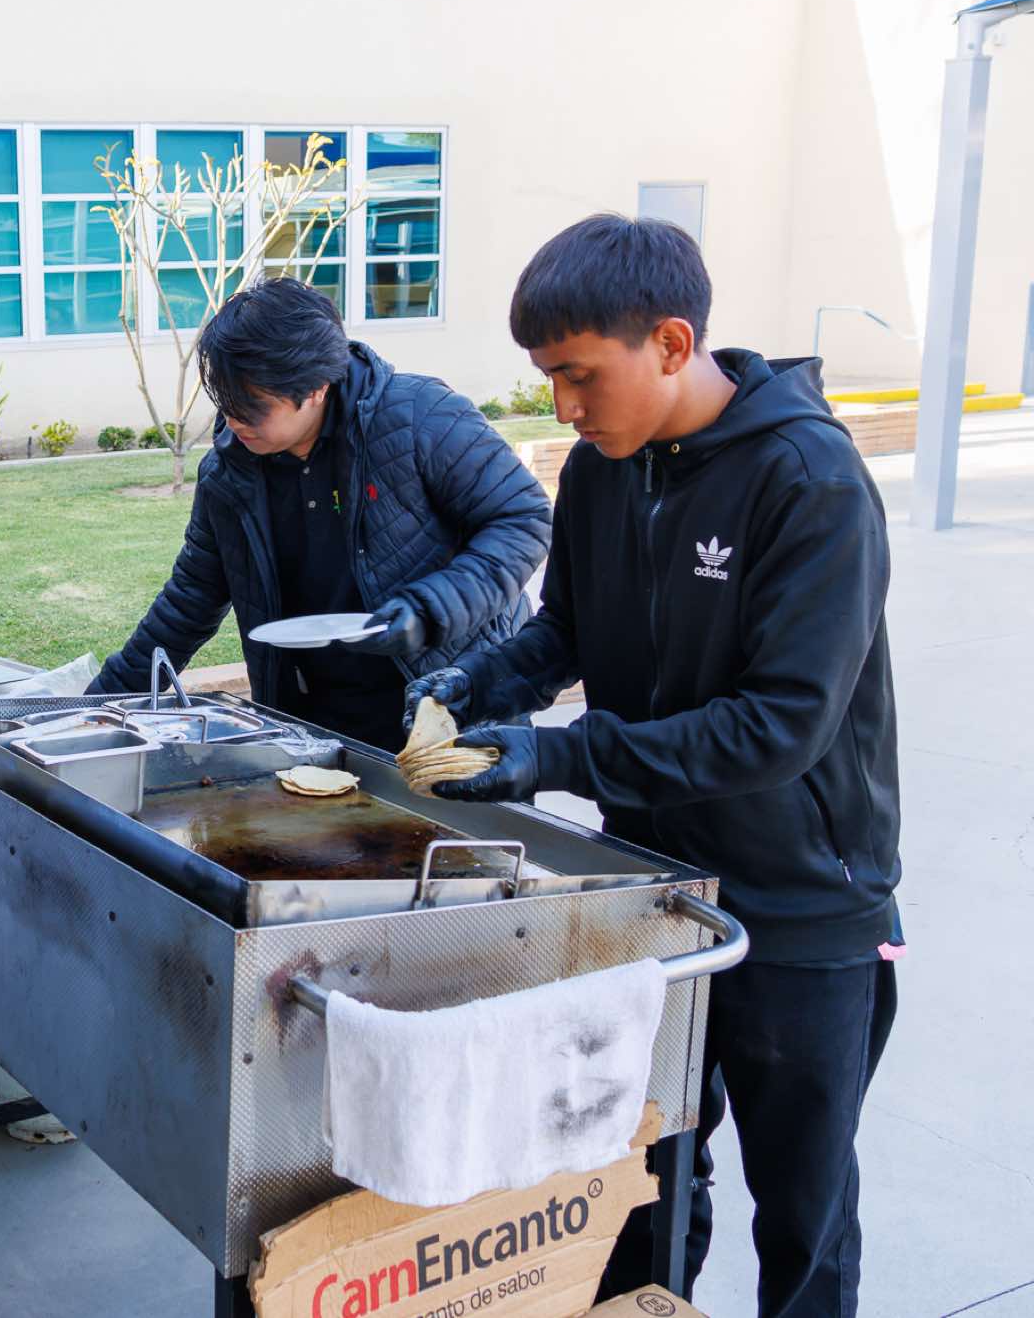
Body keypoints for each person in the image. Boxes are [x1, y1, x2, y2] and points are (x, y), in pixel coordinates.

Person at [412, 214, 901, 1317]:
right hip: (650, 883)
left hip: (801, 904)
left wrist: (561, 754)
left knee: (803, 1210)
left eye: (578, 375)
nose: (562, 407)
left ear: (672, 343)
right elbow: (566, 630)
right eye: (547, 378)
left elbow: (781, 725)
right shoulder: (600, 469)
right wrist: (480, 685)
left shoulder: (808, 481)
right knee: (641, 1174)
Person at [90, 277, 553, 752]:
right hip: (316, 726)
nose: (233, 421)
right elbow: (190, 599)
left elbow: (523, 520)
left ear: (315, 388)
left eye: (252, 406)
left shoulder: (422, 418)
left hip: (454, 707)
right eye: (225, 404)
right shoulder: (229, 473)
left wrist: (430, 610)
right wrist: (95, 706)